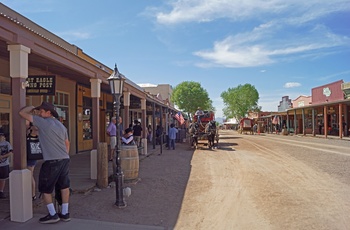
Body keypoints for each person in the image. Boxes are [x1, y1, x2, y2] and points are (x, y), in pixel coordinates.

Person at [19, 101, 71, 224]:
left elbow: (21, 113)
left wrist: (32, 107)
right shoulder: (60, 125)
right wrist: (65, 155)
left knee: (45, 188)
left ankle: (52, 214)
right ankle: (65, 212)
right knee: (64, 186)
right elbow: (67, 143)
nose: (39, 113)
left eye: (41, 111)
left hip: (52, 161)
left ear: (49, 113)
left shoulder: (42, 122)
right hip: (64, 159)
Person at [26, 121, 39, 200]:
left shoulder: (34, 132)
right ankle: (31, 193)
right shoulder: (30, 132)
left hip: (31, 156)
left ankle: (33, 194)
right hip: (31, 155)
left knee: (30, 175)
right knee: (29, 175)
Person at [0, 131, 13, 199]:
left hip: (4, 163)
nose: (0, 137)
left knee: (3, 178)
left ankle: (1, 191)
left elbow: (11, 152)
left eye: (2, 135)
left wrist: (2, 156)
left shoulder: (7, 144)